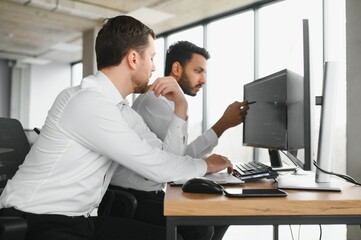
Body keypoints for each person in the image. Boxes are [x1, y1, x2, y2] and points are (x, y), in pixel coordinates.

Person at [0, 16, 233, 240]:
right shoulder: (87, 101)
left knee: (174, 235)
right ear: (133, 59)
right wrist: (205, 165)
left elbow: (167, 159)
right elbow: (156, 166)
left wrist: (180, 106)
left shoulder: (121, 111)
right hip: (37, 220)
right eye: (151, 58)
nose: (153, 68)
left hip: (79, 220)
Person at [108, 41, 249, 240]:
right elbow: (173, 167)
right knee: (200, 227)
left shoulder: (167, 102)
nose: (204, 80)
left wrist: (222, 127)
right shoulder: (155, 101)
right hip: (133, 198)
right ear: (176, 68)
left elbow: (177, 158)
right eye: (198, 71)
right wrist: (206, 162)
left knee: (219, 215)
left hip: (146, 193)